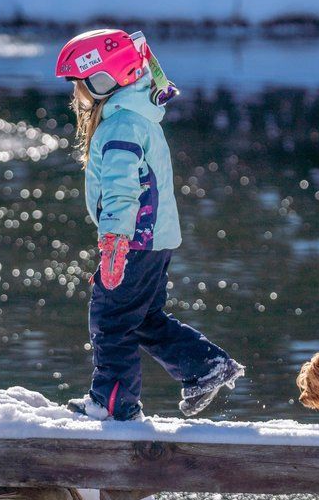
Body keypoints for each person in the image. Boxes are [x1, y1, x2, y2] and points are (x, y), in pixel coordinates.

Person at [55, 28, 243, 421]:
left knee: (111, 320)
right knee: (142, 318)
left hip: (133, 241)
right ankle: (204, 366)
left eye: (80, 85)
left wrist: (114, 242)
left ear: (103, 79)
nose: (77, 95)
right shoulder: (134, 117)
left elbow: (124, 191)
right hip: (152, 240)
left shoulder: (121, 126)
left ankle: (113, 403)